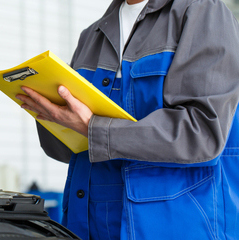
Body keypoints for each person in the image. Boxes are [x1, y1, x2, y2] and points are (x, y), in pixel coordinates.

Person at [15, 0, 239, 239]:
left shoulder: (202, 12)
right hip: (87, 226)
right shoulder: (92, 36)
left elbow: (202, 133)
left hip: (170, 227)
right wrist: (51, 114)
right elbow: (69, 152)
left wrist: (94, 128)